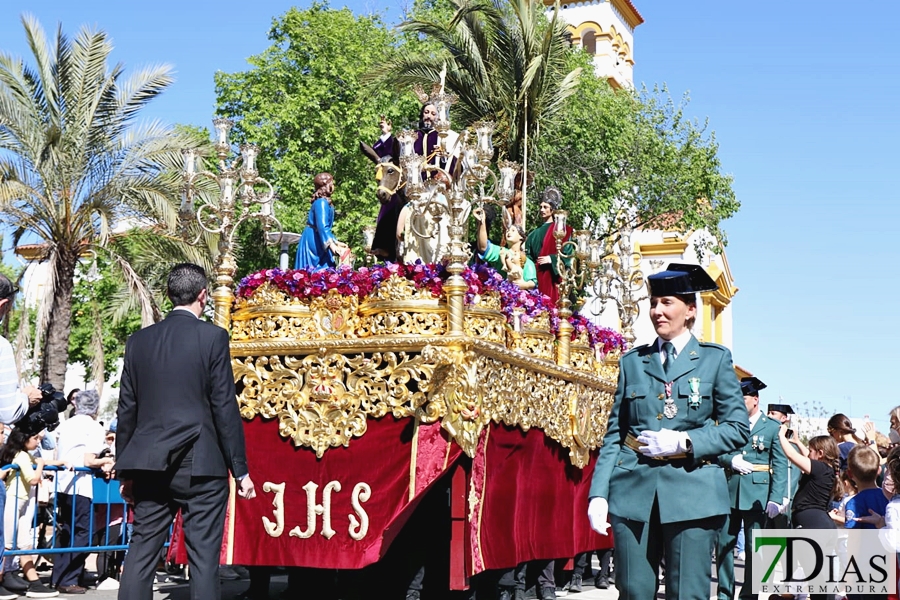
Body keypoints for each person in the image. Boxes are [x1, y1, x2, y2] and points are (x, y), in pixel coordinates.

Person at [586, 263, 750, 600]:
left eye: (667, 303)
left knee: (687, 594)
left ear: (690, 310)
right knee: (633, 591)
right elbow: (615, 434)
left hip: (693, 494)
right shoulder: (633, 361)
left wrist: (686, 441)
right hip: (633, 491)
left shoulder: (714, 360)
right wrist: (599, 493)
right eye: (654, 303)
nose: (657, 311)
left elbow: (737, 429)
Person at [114, 263, 256, 600]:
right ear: (203, 295)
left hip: (149, 464)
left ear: (169, 294)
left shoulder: (139, 342)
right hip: (201, 464)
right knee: (204, 559)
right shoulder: (212, 336)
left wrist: (125, 469)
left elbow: (127, 409)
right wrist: (241, 469)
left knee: (142, 552)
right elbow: (224, 405)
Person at [715, 376, 787, 600]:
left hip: (758, 494)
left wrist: (777, 498)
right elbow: (717, 450)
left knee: (755, 550)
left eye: (743, 397)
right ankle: (725, 594)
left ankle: (749, 595)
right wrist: (730, 460)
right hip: (729, 491)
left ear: (755, 399)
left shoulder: (772, 427)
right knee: (724, 547)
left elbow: (780, 464)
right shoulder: (729, 422)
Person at [50, 389, 115, 594]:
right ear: (95, 407)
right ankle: (69, 578)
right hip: (80, 484)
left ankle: (60, 576)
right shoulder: (94, 427)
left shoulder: (66, 424)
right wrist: (106, 460)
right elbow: (89, 460)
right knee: (83, 533)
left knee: (67, 530)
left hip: (63, 483)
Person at [0, 425, 64, 598]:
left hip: (20, 501)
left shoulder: (25, 455)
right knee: (6, 541)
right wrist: (41, 465)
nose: (38, 442)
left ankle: (31, 581)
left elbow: (38, 463)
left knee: (23, 541)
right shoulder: (21, 456)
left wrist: (60, 462)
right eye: (35, 438)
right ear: (24, 438)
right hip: (14, 500)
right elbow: (34, 479)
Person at [777, 430, 841, 600]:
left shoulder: (819, 468)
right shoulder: (826, 469)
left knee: (817, 582)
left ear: (820, 454)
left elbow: (792, 456)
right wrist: (798, 442)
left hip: (812, 528)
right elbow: (807, 456)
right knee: (820, 580)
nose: (808, 452)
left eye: (811, 449)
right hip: (821, 526)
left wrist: (781, 437)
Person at [524, 187, 572, 305]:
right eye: (541, 207)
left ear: (552, 210)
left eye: (545, 207)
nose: (542, 210)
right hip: (537, 277)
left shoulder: (562, 231)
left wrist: (552, 258)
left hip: (552, 278)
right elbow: (528, 257)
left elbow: (567, 253)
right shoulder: (533, 234)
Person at [294, 173, 349, 271]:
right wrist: (332, 246)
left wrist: (336, 241)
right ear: (326, 185)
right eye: (331, 183)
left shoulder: (325, 203)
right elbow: (322, 226)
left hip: (319, 238)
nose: (333, 186)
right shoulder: (321, 203)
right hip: (315, 240)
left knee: (326, 269)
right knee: (321, 269)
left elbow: (325, 228)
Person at [473, 207, 536, 289]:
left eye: (513, 230)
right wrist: (482, 222)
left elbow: (532, 282)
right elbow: (483, 247)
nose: (509, 232)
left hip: (521, 297)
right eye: (508, 230)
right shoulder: (501, 251)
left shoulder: (528, 262)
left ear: (521, 238)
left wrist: (524, 285)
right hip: (502, 294)